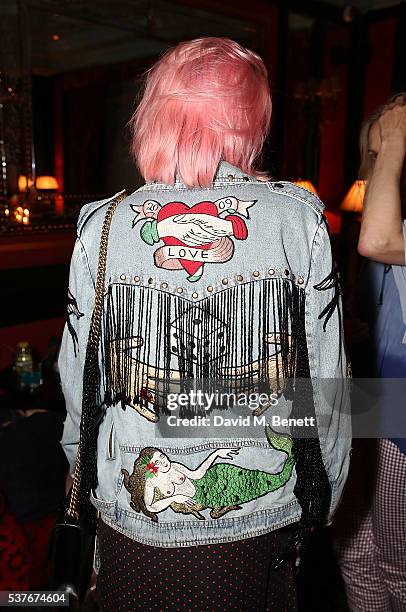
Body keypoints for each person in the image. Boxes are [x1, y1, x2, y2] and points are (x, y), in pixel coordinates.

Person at [58, 37, 350, 611]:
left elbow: (78, 381)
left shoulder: (104, 223)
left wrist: (83, 478)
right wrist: (323, 498)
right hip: (260, 515)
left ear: (156, 114)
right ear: (248, 121)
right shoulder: (297, 219)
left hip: (129, 512)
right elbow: (325, 386)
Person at [334, 94, 406, 611]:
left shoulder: (388, 227)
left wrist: (394, 144)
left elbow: (377, 240)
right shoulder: (390, 211)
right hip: (369, 401)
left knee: (397, 564)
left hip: (401, 418)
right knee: (353, 548)